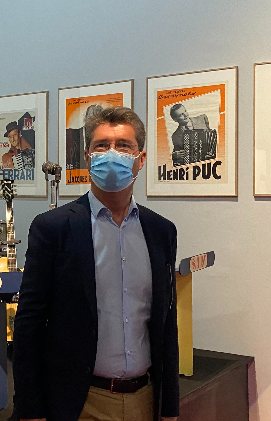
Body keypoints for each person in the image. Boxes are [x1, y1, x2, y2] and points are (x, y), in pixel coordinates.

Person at [13, 106, 179, 421]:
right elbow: (29, 324)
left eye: (124, 146)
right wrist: (30, 410)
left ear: (141, 159)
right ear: (88, 157)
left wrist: (169, 406)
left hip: (144, 399)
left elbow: (166, 324)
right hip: (80, 402)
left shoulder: (161, 232)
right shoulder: (53, 228)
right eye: (102, 145)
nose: (112, 154)